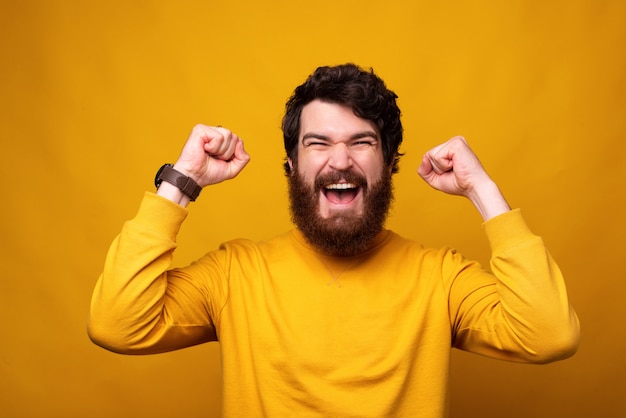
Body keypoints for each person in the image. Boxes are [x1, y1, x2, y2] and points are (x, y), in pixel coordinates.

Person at [88, 63, 580, 417]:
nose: (340, 161)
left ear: (389, 166)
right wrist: (183, 179)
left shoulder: (440, 277)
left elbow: (549, 334)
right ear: (291, 168)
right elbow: (118, 324)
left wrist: (483, 190)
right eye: (317, 143)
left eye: (362, 142)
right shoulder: (236, 273)